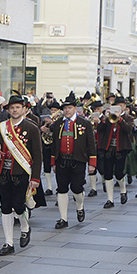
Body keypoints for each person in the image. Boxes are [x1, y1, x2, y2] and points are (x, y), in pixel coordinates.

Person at [0, 95, 42, 256]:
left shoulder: (31, 128)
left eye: (17, 107)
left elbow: (37, 155)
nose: (14, 110)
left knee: (18, 206)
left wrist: (35, 178)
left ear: (24, 109)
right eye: (12, 107)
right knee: (5, 206)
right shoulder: (1, 127)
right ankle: (8, 242)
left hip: (21, 172)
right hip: (3, 172)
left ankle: (25, 228)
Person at [50, 92, 97, 229]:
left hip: (78, 161)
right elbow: (54, 145)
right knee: (62, 189)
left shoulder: (85, 123)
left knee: (77, 188)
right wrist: (53, 162)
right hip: (62, 161)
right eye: (64, 108)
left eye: (69, 108)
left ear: (75, 109)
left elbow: (91, 144)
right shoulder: (58, 124)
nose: (67, 110)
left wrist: (92, 163)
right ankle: (63, 219)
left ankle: (80, 206)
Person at [96, 98, 134, 208]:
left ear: (124, 107)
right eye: (116, 106)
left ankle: (123, 191)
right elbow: (100, 129)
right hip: (108, 148)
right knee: (108, 174)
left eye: (121, 106)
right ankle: (110, 199)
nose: (119, 108)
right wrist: (104, 118)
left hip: (121, 148)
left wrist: (120, 119)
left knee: (119, 172)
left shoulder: (128, 118)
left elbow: (128, 129)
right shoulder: (108, 118)